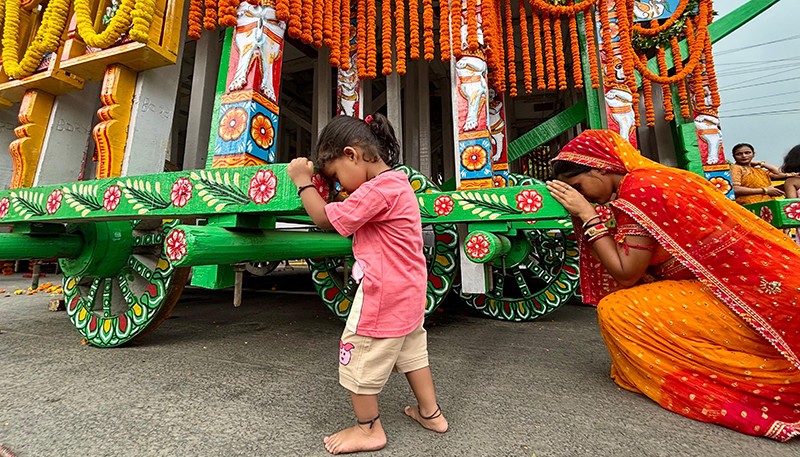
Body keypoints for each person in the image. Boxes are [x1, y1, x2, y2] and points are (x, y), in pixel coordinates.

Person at [546, 129, 800, 441]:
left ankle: (732, 382)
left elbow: (626, 272)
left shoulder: (639, 190)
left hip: (754, 295)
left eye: (577, 187)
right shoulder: (654, 179)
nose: (580, 197)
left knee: (619, 310)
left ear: (600, 166)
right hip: (765, 288)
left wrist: (588, 216)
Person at [287, 113, 448, 454]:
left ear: (352, 155)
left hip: (383, 289)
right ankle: (431, 414)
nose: (341, 188)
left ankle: (368, 429)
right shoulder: (398, 183)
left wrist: (302, 180)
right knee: (412, 353)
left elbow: (325, 218)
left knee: (356, 354)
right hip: (410, 288)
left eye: (335, 177)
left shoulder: (377, 190)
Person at [729, 143, 794, 204]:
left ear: (753, 154)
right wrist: (765, 190)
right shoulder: (736, 168)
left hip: (766, 205)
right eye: (739, 154)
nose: (744, 156)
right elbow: (735, 189)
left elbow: (779, 173)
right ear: (734, 156)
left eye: (747, 153)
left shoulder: (758, 170)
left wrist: (761, 164)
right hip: (749, 206)